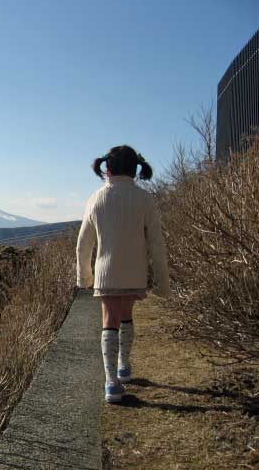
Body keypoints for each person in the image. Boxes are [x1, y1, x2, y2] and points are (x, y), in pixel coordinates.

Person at [76, 145, 170, 403]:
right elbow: (156, 243)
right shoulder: (145, 199)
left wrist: (84, 276)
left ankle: (111, 383)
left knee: (109, 320)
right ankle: (124, 367)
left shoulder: (96, 198)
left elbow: (83, 243)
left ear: (107, 169)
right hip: (135, 272)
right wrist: (162, 282)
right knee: (127, 316)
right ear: (135, 170)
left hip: (106, 272)